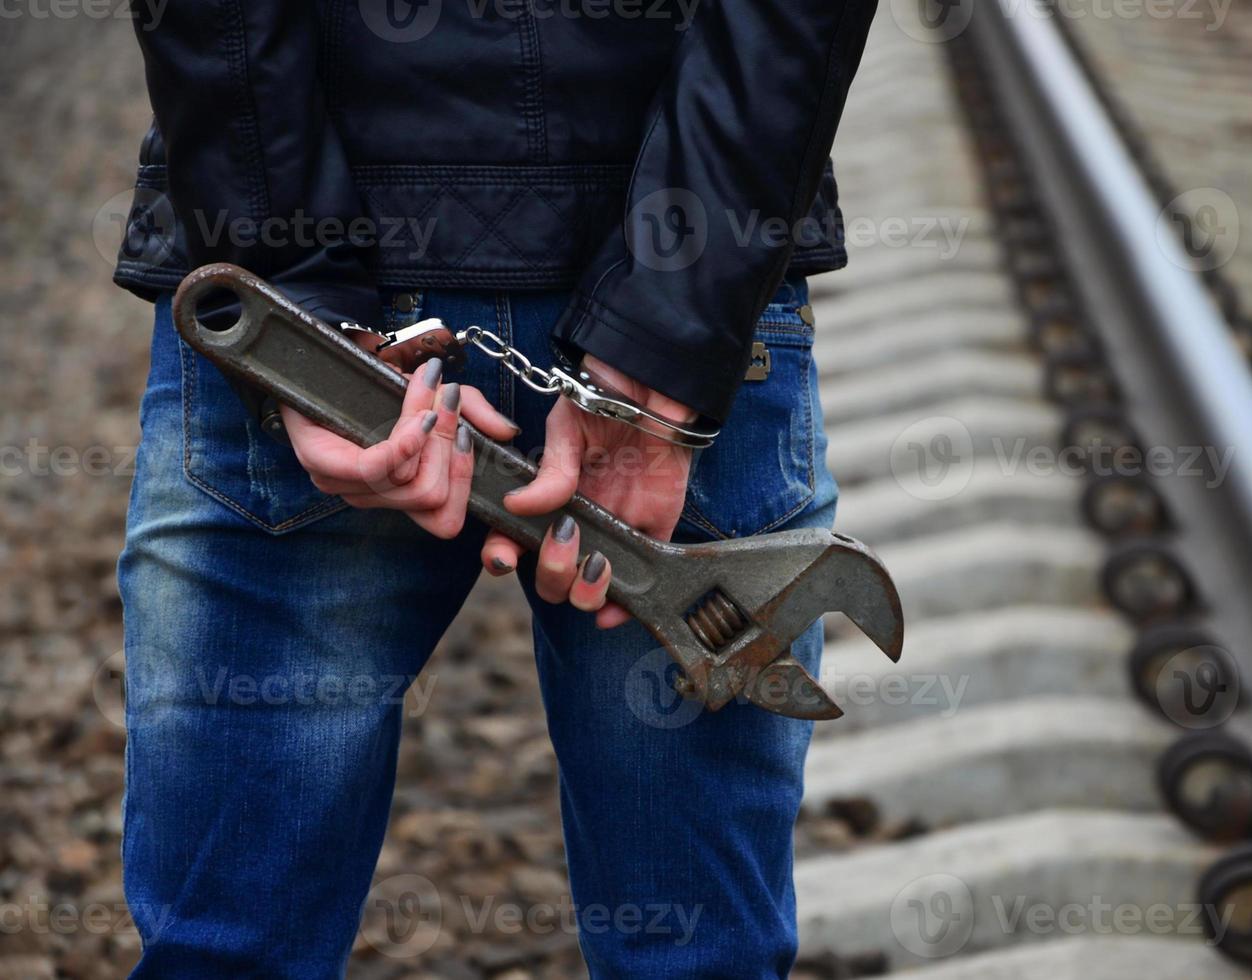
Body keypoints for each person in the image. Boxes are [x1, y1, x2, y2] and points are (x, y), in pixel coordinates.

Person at [112, 1, 875, 976]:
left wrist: (293, 279)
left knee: (225, 954)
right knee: (698, 957)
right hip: (692, 299)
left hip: (313, 262)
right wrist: (673, 310)